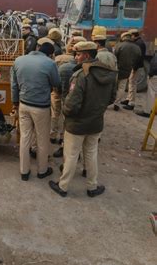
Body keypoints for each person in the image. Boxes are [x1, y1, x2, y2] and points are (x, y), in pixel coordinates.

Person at [49, 41, 117, 198]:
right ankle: (92, 187)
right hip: (96, 122)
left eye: (78, 54)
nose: (76, 57)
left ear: (86, 55)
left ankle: (63, 186)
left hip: (77, 124)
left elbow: (72, 105)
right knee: (91, 154)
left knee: (71, 155)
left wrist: (65, 112)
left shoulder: (80, 75)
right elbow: (111, 98)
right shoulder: (109, 73)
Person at [11, 41, 60, 181]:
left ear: (38, 48)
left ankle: (24, 172)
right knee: (42, 139)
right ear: (51, 54)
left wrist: (15, 102)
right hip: (41, 107)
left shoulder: (19, 60)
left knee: (25, 138)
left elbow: (14, 85)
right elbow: (56, 83)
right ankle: (42, 170)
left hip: (23, 104)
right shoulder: (50, 64)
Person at [51, 36, 85, 158]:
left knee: (55, 114)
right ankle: (62, 138)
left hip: (57, 91)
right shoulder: (83, 65)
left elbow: (53, 76)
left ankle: (52, 135)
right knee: (67, 119)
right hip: (73, 96)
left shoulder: (59, 58)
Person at [114, 32, 142, 111]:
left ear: (123, 37)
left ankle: (107, 102)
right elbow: (138, 59)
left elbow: (114, 56)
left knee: (113, 86)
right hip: (128, 70)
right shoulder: (137, 48)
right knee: (121, 87)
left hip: (116, 69)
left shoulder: (119, 45)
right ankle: (117, 103)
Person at [122, 29, 147, 110]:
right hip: (135, 66)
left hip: (136, 66)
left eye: (130, 36)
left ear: (133, 35)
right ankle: (128, 99)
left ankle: (131, 103)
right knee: (130, 82)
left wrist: (134, 67)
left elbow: (138, 57)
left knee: (132, 83)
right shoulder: (139, 42)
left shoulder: (139, 43)